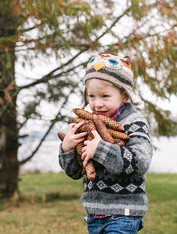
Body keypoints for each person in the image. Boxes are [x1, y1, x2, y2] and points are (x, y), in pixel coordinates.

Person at [59, 53, 153, 234]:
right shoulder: (85, 124)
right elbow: (74, 172)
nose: (97, 104)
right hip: (94, 215)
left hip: (124, 213)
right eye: (91, 96)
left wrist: (100, 149)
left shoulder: (134, 123)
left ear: (124, 95)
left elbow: (140, 162)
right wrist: (67, 148)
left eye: (105, 96)